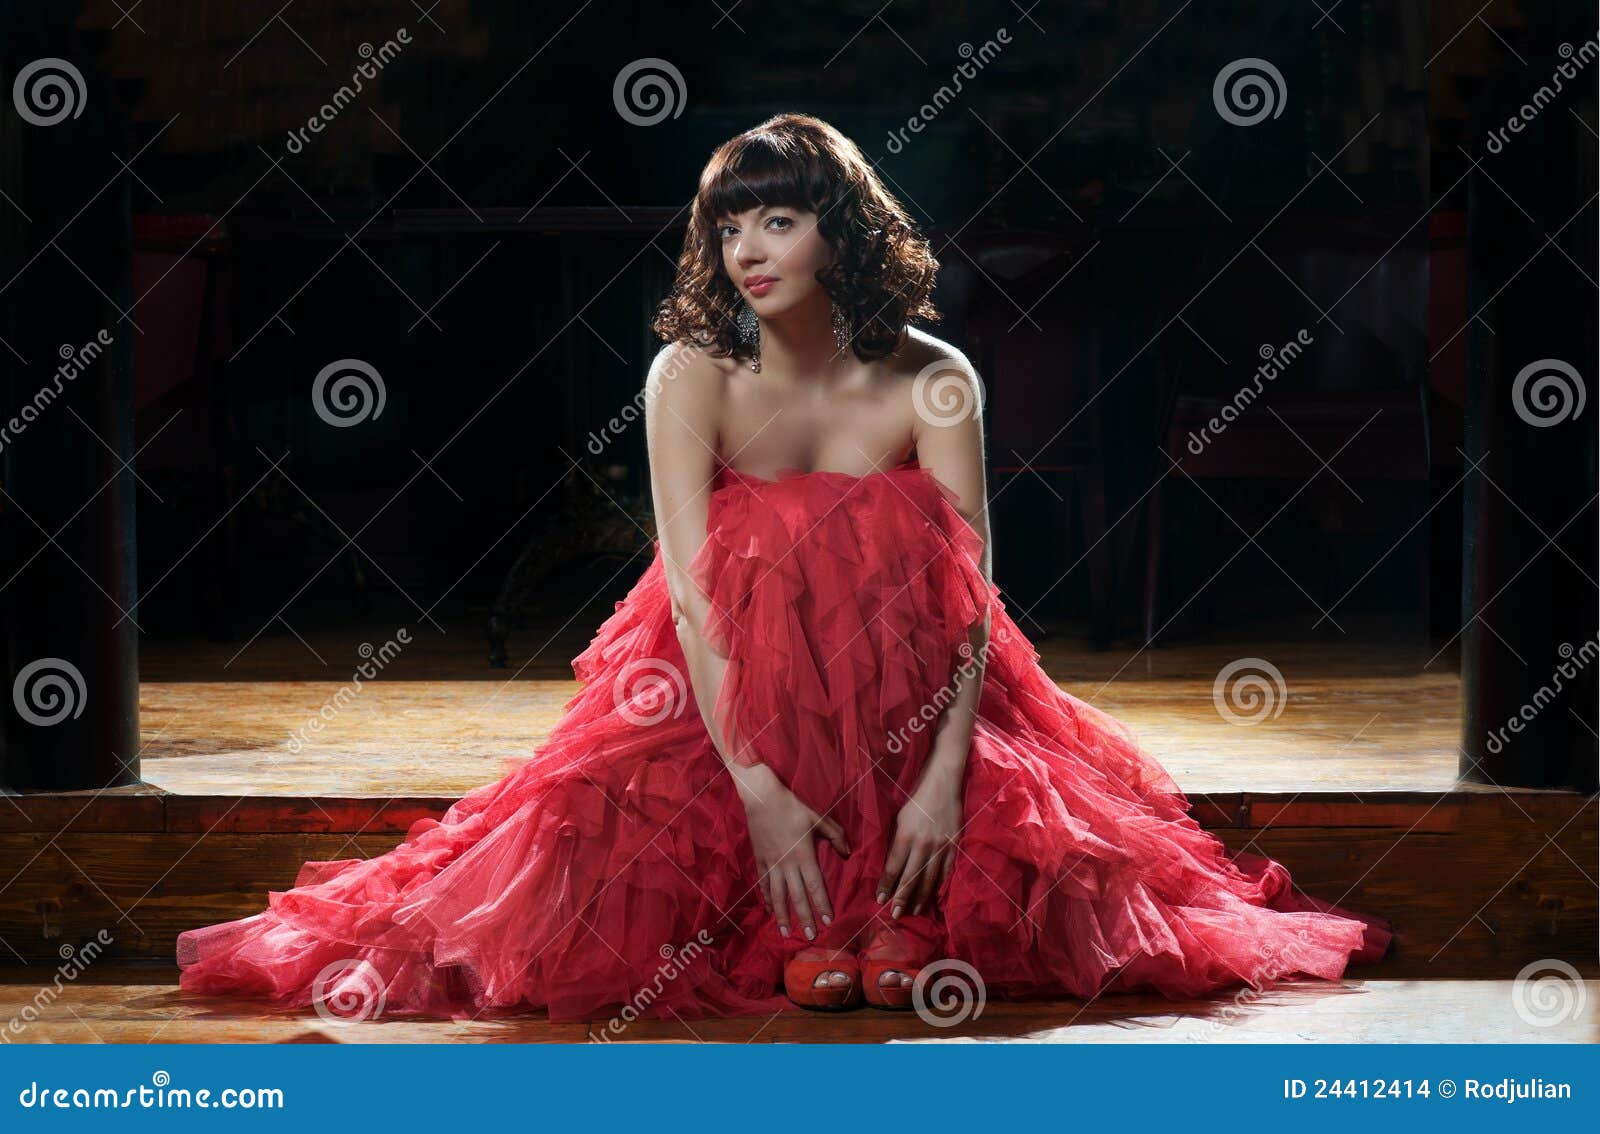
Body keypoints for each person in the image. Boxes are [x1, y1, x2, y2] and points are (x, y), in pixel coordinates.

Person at [175, 112, 1391, 1023]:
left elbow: (970, 602)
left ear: (840, 230)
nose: (747, 249)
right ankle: (810, 901)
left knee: (986, 805)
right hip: (725, 691)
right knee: (617, 836)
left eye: (778, 219)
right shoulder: (689, 374)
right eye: (727, 224)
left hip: (916, 689)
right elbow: (693, 594)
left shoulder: (933, 375)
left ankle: (889, 902)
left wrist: (938, 784)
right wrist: (752, 781)